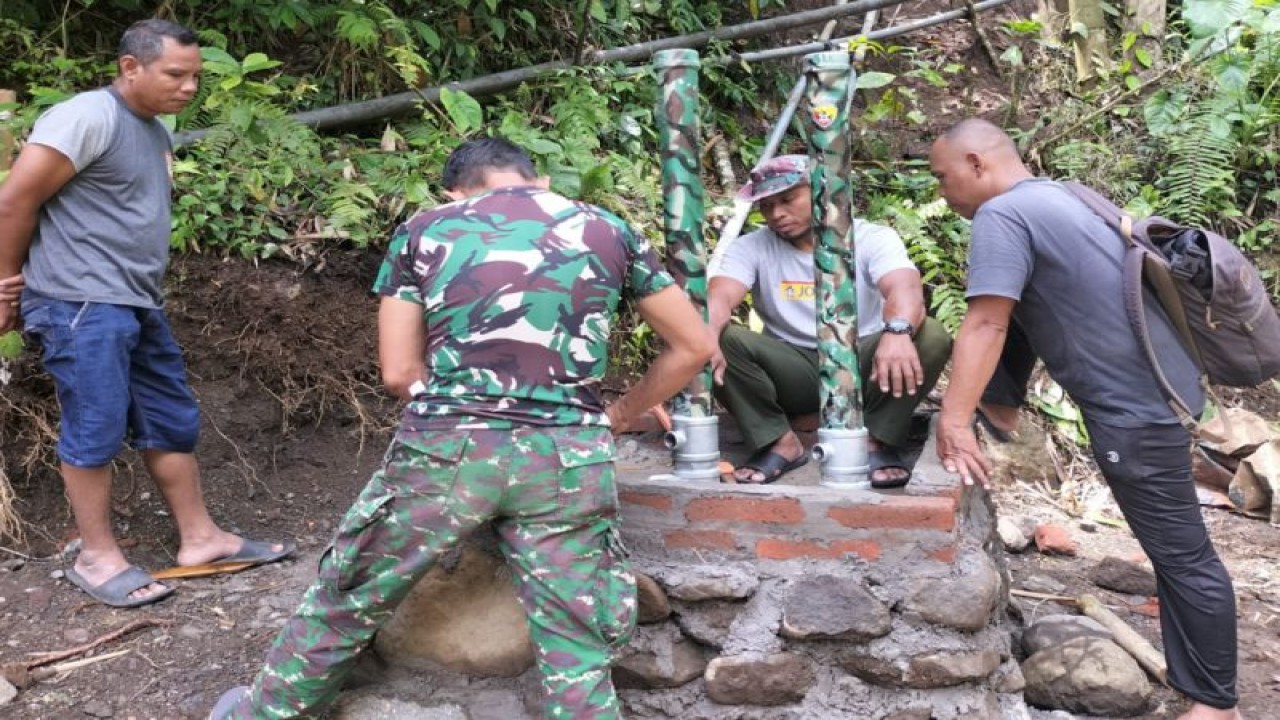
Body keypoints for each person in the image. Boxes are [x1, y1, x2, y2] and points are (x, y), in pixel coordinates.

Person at [210, 138, 713, 719]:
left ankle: (267, 711)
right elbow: (694, 346)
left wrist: (454, 415)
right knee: (577, 644)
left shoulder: (427, 229)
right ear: (539, 179)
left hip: (448, 447)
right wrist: (618, 417)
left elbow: (400, 373)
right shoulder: (609, 229)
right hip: (567, 456)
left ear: (456, 191)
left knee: (352, 592)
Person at [930, 118, 1242, 720]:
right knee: (1176, 556)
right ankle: (1203, 694)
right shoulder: (1061, 196)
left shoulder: (1002, 216)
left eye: (943, 178)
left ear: (975, 163)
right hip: (1162, 391)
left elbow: (987, 322)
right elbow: (1024, 309)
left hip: (1137, 412)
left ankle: (1215, 707)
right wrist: (995, 402)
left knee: (1182, 558)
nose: (943, 193)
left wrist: (954, 419)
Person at [0, 19, 293, 609]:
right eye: (175, 74)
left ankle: (201, 538)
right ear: (131, 67)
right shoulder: (86, 117)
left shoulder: (155, 127)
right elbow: (15, 199)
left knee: (169, 419)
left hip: (134, 300)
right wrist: (5, 285)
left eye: (195, 77)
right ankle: (96, 556)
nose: (188, 87)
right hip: (80, 301)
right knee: (95, 426)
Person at [707, 155, 952, 487]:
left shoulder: (871, 238)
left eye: (787, 199)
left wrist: (896, 331)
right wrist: (706, 334)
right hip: (793, 366)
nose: (776, 213)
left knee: (931, 335)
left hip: (865, 361)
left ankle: (876, 440)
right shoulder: (752, 247)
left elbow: (904, 288)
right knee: (715, 337)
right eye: (765, 206)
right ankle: (778, 442)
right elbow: (719, 297)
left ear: (822, 192)